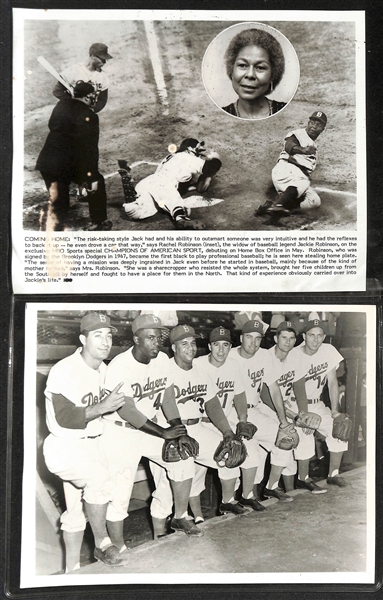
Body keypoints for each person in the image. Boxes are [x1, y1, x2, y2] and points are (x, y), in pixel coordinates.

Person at [100, 314, 198, 544]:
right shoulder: (119, 366)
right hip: (120, 432)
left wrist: (177, 428)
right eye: (151, 338)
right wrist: (164, 433)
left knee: (183, 459)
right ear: (136, 339)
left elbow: (167, 395)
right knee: (120, 494)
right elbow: (127, 410)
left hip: (150, 428)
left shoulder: (162, 360)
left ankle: (180, 516)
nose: (157, 342)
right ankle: (118, 546)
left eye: (159, 337)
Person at [43, 312, 130, 569]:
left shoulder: (103, 368)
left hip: (93, 443)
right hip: (65, 445)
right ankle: (102, 545)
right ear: (83, 339)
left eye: (109, 335)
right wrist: (103, 407)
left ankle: (72, 570)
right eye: (97, 335)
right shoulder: (64, 369)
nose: (105, 342)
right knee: (99, 481)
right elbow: (65, 417)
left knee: (75, 514)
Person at [149, 324, 246, 526]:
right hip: (168, 432)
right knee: (165, 492)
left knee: (230, 452)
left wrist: (227, 432)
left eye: (193, 343)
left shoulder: (201, 373)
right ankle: (159, 539)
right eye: (183, 344)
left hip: (196, 429)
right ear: (173, 347)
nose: (190, 348)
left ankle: (227, 502)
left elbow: (213, 405)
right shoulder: (163, 369)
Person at [194, 326, 267, 515]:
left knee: (249, 449)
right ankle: (194, 515)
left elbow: (240, 395)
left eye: (225, 345)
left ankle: (243, 497)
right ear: (209, 346)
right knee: (195, 477)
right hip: (200, 423)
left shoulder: (233, 365)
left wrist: (243, 420)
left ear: (230, 347)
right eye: (216, 345)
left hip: (225, 422)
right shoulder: (197, 364)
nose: (221, 350)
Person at [229, 319, 298, 503]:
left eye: (258, 338)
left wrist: (283, 421)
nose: (253, 342)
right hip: (231, 413)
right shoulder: (229, 356)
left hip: (255, 408)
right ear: (241, 338)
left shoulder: (264, 356)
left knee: (286, 438)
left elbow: (274, 389)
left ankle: (271, 487)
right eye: (249, 337)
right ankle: (238, 501)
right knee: (244, 456)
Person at [36, 80, 112, 232]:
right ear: (88, 96)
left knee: (59, 204)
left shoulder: (61, 105)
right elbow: (90, 149)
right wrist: (90, 176)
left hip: (48, 162)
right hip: (68, 164)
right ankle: (98, 222)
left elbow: (52, 125)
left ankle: (54, 236)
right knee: (97, 182)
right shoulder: (89, 116)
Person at [268, 320, 327, 494]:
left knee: (305, 430)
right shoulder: (267, 357)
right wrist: (293, 416)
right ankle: (269, 488)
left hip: (287, 404)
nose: (288, 341)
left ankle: (301, 480)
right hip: (267, 407)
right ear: (275, 338)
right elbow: (267, 396)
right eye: (284, 337)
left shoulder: (295, 357)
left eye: (292, 338)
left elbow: (299, 388)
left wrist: (304, 415)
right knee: (286, 438)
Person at [289, 318, 349, 488]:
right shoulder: (294, 354)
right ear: (303, 336)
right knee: (305, 437)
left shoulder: (328, 350)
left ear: (324, 337)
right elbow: (295, 387)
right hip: (294, 404)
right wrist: (303, 415)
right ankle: (303, 478)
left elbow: (332, 382)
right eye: (311, 335)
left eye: (319, 335)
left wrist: (335, 411)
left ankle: (333, 474)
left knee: (339, 428)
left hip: (317, 403)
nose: (315, 339)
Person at [121, 138, 222, 230]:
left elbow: (200, 187)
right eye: (198, 149)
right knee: (175, 203)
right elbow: (214, 166)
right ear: (190, 148)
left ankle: (129, 197)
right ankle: (182, 220)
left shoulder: (172, 157)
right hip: (163, 183)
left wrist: (206, 176)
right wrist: (214, 157)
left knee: (137, 212)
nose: (200, 153)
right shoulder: (187, 157)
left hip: (148, 183)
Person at [258, 111, 327, 217]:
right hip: (285, 169)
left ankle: (272, 207)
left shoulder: (313, 147)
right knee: (303, 182)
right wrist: (302, 150)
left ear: (323, 129)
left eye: (318, 125)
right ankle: (279, 205)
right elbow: (289, 146)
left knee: (314, 201)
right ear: (308, 123)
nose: (314, 127)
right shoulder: (298, 134)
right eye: (312, 122)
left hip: (295, 179)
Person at [222, 28, 286, 119]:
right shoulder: (219, 115)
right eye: (243, 65)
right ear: (231, 70)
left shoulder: (286, 111)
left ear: (273, 75)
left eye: (260, 67)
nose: (250, 74)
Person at [53, 43, 112, 113]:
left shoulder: (103, 77)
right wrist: (72, 103)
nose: (104, 62)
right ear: (92, 56)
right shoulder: (73, 71)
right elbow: (57, 91)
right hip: (69, 112)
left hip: (87, 113)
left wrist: (92, 110)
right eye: (102, 59)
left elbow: (102, 99)